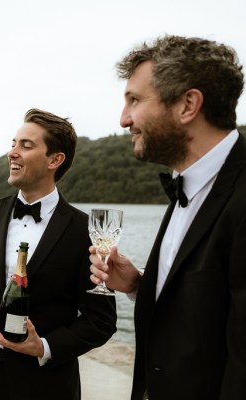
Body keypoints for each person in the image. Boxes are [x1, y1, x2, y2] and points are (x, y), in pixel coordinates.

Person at [89, 35, 246, 400]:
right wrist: (138, 286)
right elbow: (211, 312)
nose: (124, 119)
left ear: (188, 105)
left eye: (134, 100)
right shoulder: (186, 186)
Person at [0, 108, 117, 400]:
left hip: (46, 386)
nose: (12, 152)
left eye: (26, 146)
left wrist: (45, 347)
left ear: (55, 159)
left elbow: (101, 320)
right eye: (13, 143)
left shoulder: (84, 229)